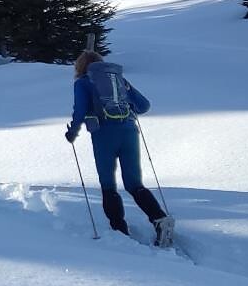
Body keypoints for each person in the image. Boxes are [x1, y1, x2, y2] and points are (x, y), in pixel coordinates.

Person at [65, 50, 173, 245]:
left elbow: (80, 110)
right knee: (134, 184)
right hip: (129, 132)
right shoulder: (119, 80)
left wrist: (72, 132)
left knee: (108, 184)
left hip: (104, 135)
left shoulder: (82, 82)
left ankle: (119, 231)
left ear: (80, 66)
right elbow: (144, 106)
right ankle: (159, 219)